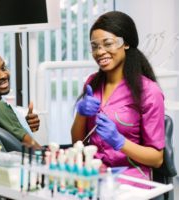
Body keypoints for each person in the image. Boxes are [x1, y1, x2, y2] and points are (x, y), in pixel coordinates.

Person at [71, 11, 165, 185]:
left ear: (126, 43)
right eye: (95, 46)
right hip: (95, 173)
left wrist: (120, 142)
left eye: (108, 44)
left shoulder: (149, 92)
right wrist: (81, 113)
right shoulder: (93, 83)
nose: (100, 52)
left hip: (130, 178)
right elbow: (77, 141)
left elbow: (157, 159)